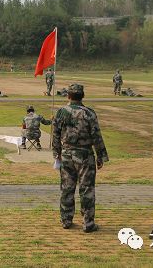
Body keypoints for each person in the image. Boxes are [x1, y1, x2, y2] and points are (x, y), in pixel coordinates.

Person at [52, 83, 109, 232]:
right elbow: (96, 136)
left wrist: (56, 153)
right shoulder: (89, 113)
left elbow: (55, 134)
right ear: (82, 96)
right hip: (85, 156)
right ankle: (88, 223)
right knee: (87, 189)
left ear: (68, 96)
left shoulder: (61, 112)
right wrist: (100, 155)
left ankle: (66, 220)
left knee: (66, 188)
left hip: (66, 155)